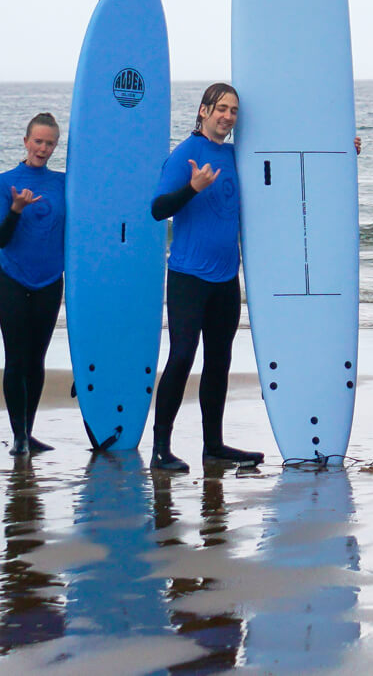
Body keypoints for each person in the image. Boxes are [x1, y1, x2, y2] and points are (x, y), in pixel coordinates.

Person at [148, 84, 262, 473]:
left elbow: (280, 165)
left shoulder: (235, 156)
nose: (228, 116)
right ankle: (160, 448)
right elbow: (158, 209)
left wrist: (340, 147)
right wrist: (192, 188)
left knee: (219, 361)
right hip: (188, 276)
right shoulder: (185, 154)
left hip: (226, 278)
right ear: (203, 111)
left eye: (233, 111)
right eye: (221, 109)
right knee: (181, 356)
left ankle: (213, 446)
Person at [0, 113, 69, 457]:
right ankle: (19, 435)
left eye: (50, 143)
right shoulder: (4, 182)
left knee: (37, 360)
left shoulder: (64, 182)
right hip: (12, 277)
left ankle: (29, 432)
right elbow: (0, 238)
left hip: (50, 280)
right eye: (38, 141)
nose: (43, 148)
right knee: (16, 358)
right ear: (25, 141)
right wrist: (16, 210)